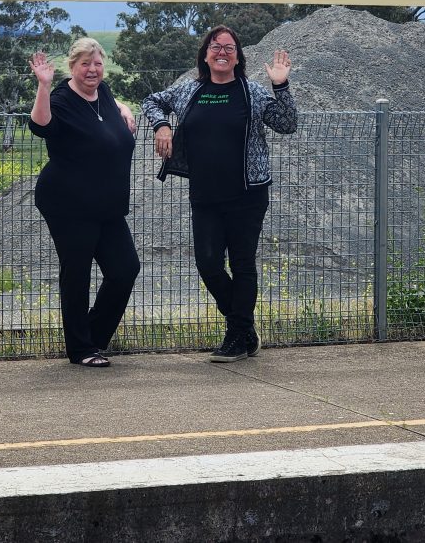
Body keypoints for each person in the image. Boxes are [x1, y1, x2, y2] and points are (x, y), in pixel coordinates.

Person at [142, 25, 297, 363]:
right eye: (215, 47)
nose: (222, 52)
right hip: (206, 196)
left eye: (229, 47)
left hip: (248, 195)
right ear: (205, 55)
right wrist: (162, 125)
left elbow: (287, 123)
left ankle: (236, 336)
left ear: (238, 56)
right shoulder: (189, 91)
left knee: (242, 265)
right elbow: (151, 101)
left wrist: (280, 84)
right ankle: (243, 327)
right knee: (209, 264)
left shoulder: (252, 92)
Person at [28, 38, 139, 367]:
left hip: (106, 204)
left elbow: (108, 111)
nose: (92, 70)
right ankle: (81, 349)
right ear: (72, 67)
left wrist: (124, 108)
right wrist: (44, 87)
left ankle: (91, 337)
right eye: (85, 64)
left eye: (97, 64)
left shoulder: (102, 92)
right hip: (68, 203)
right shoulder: (61, 99)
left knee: (125, 269)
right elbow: (40, 125)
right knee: (77, 273)